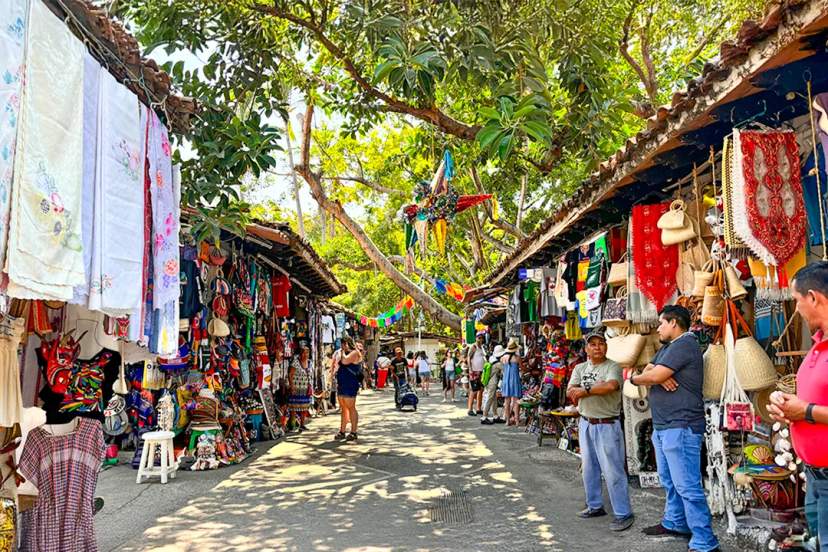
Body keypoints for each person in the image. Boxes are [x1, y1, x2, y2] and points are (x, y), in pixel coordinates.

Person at [629, 305, 720, 552]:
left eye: (661, 323)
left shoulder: (685, 344)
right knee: (670, 481)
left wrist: (636, 378)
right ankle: (676, 522)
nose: (658, 328)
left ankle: (705, 541)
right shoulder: (670, 348)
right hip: (665, 425)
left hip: (681, 426)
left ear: (674, 323)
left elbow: (650, 375)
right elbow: (651, 369)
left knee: (687, 486)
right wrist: (655, 374)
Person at [768, 262, 828, 550]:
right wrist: (784, 405)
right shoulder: (818, 344)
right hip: (815, 475)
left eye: (796, 300)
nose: (796, 310)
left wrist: (804, 412)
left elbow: (810, 407)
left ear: (814, 297)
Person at [566, 328, 634, 532]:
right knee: (589, 469)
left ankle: (623, 513)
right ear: (586, 348)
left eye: (601, 343)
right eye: (593, 344)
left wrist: (584, 391)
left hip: (607, 424)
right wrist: (581, 391)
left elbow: (610, 387)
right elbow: (571, 391)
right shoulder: (580, 368)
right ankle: (595, 505)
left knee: (613, 471)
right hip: (586, 422)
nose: (598, 347)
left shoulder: (612, 366)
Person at [334, 336, 363, 442]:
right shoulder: (346, 352)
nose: (342, 346)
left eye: (343, 344)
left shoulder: (355, 353)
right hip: (342, 383)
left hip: (350, 384)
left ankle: (353, 431)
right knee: (343, 408)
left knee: (351, 407)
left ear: (347, 343)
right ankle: (342, 431)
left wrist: (341, 352)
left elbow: (345, 361)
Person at [287, 345, 312, 431]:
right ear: (300, 354)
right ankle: (292, 425)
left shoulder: (309, 362)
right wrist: (292, 387)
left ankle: (302, 424)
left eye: (307, 353)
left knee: (304, 407)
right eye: (304, 353)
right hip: (296, 388)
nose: (306, 355)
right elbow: (290, 375)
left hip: (305, 389)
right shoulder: (296, 362)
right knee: (294, 407)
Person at [500, 338, 523, 426]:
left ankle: (507, 421)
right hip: (515, 379)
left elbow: (504, 368)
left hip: (506, 380)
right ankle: (517, 421)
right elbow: (522, 368)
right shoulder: (517, 358)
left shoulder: (503, 358)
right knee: (516, 400)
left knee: (507, 401)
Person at [481, 345, 505, 424]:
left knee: (494, 399)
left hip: (488, 381)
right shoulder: (498, 363)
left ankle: (495, 416)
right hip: (492, 383)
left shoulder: (491, 358)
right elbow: (505, 370)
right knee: (490, 398)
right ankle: (484, 416)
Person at [467, 333, 487, 416]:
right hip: (474, 371)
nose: (480, 339)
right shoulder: (473, 347)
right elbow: (468, 357)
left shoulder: (481, 347)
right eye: (479, 338)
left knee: (481, 389)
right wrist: (470, 369)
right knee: (474, 390)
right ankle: (470, 409)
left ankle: (478, 408)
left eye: (482, 338)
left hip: (481, 371)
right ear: (476, 338)